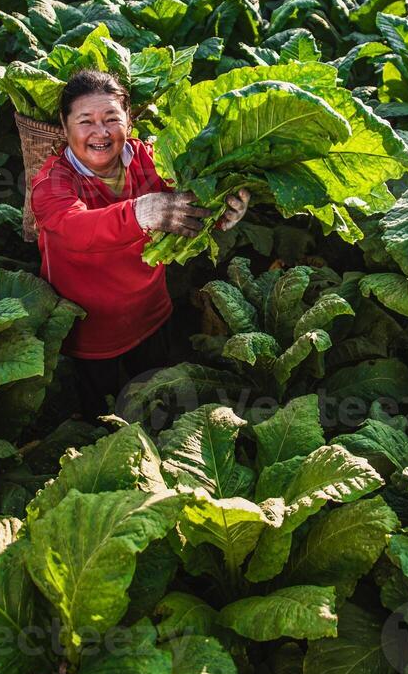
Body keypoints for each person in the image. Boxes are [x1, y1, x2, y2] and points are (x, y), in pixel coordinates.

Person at [29, 69, 249, 417]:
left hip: (151, 312)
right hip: (90, 331)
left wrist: (225, 211)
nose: (100, 133)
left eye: (112, 118)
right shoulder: (52, 183)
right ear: (65, 123)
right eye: (86, 121)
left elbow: (192, 202)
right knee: (100, 413)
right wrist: (139, 212)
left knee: (155, 398)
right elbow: (74, 228)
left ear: (129, 120)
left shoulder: (150, 159)